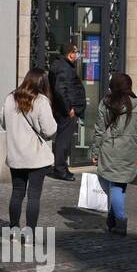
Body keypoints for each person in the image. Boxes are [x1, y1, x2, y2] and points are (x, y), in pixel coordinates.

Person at [89, 73, 137, 237]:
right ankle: (113, 218)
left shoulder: (106, 103)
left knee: (114, 185)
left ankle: (119, 219)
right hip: (129, 149)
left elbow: (99, 130)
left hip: (109, 148)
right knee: (119, 185)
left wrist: (95, 152)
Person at [0, 68, 57, 234]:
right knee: (34, 196)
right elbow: (49, 129)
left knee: (17, 193)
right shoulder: (41, 101)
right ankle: (30, 233)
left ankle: (13, 229)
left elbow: (3, 122)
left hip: (16, 154)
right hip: (36, 156)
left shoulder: (10, 98)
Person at [48, 44, 86, 180]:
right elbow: (60, 90)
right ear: (70, 54)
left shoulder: (62, 65)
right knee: (63, 140)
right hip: (66, 111)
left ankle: (62, 167)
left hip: (65, 109)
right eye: (76, 53)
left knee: (63, 140)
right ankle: (60, 169)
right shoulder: (63, 67)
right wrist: (68, 108)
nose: (77, 56)